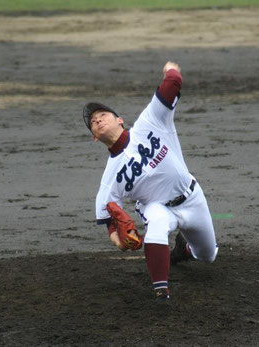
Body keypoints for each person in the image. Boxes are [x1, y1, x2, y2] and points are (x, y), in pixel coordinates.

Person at [83, 61, 218, 302]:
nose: (98, 120)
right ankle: (161, 291)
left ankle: (182, 250)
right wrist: (119, 242)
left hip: (191, 197)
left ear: (120, 120)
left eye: (102, 115)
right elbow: (110, 224)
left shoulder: (149, 123)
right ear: (95, 138)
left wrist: (170, 69)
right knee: (155, 224)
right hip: (158, 207)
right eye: (93, 122)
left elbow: (174, 82)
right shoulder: (109, 180)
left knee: (208, 255)